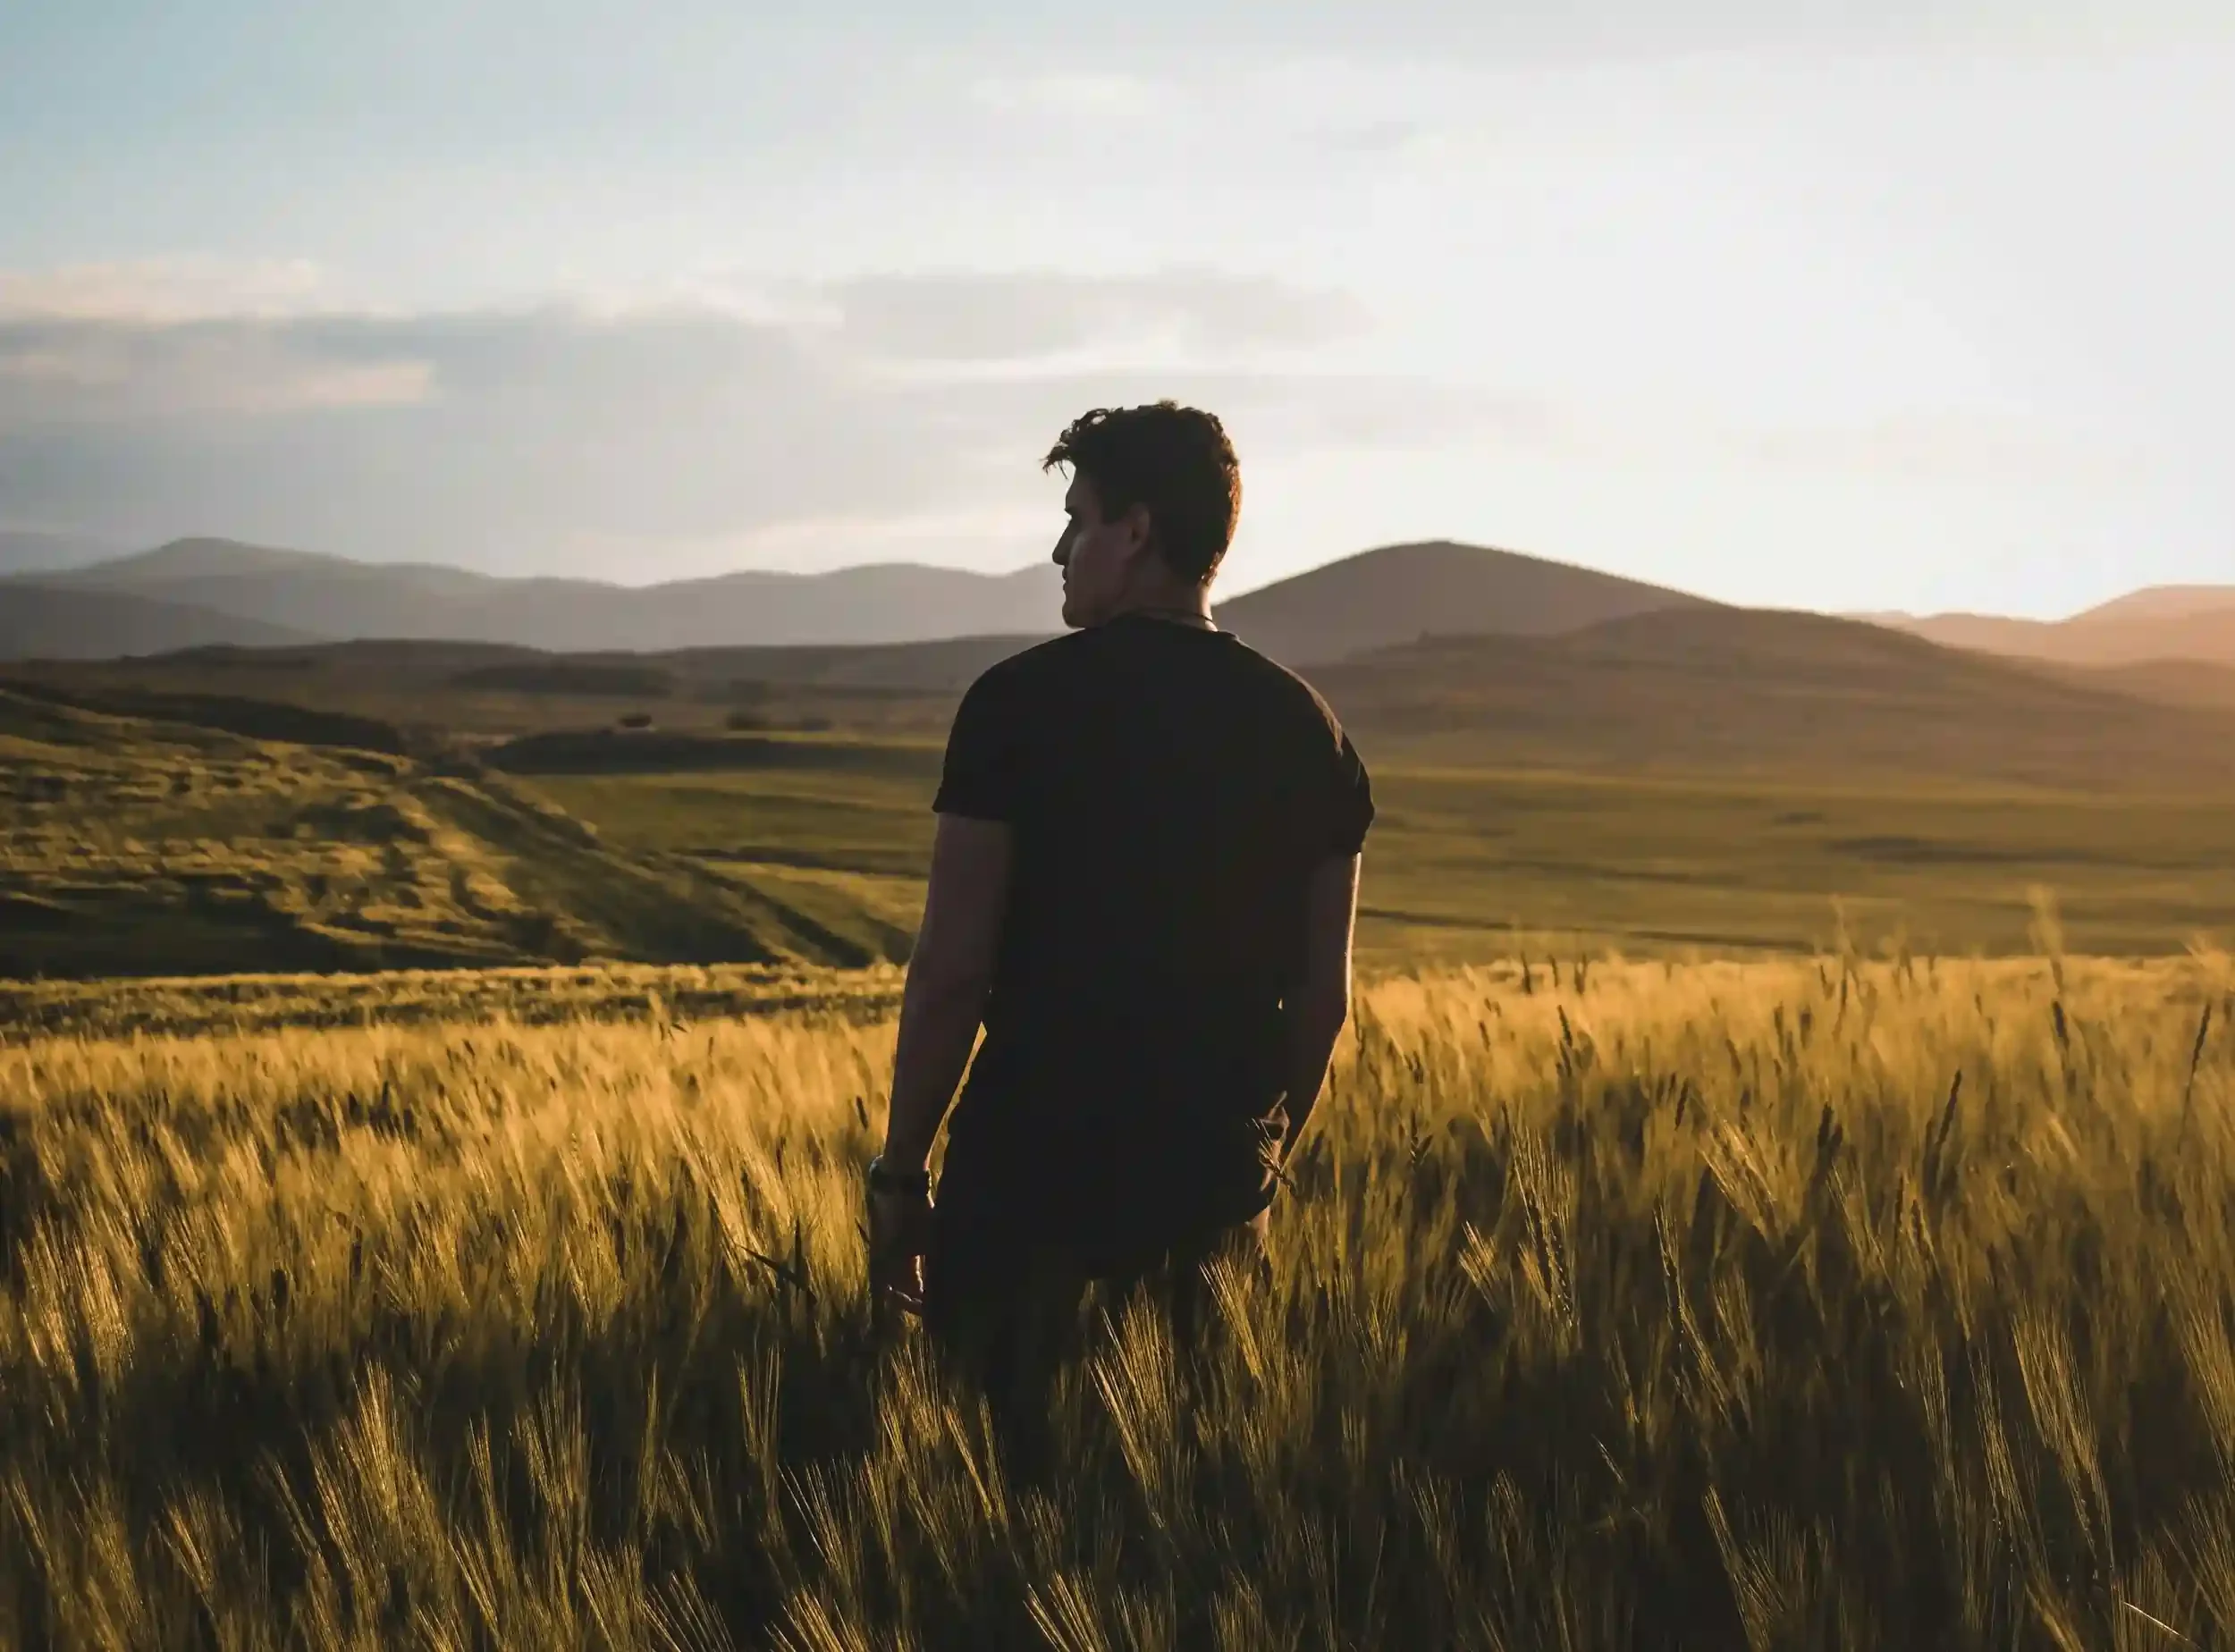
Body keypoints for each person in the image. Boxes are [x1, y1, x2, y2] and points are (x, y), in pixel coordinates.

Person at [864, 400, 1373, 1438]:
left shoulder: (1015, 706)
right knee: (1181, 1510)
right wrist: (1259, 1161)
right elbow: (1322, 1001)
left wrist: (902, 1170)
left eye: (1077, 517)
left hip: (1025, 1174)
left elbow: (953, 970)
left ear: (1134, 531)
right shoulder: (1310, 730)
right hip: (1211, 1183)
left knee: (998, 1490)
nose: (1058, 548)